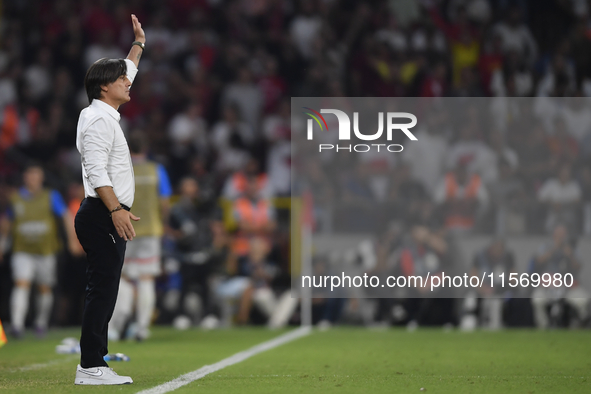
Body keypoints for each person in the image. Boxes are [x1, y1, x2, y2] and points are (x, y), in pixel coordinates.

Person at [73, 15, 145, 385]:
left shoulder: (104, 112)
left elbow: (127, 71)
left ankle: (93, 361)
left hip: (104, 212)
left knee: (106, 288)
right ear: (104, 87)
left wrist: (138, 45)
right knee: (102, 289)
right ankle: (91, 364)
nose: (127, 82)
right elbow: (96, 170)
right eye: (120, 80)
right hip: (103, 213)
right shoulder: (99, 121)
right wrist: (116, 210)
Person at [1, 164, 78, 338]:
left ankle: (41, 323)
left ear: (41, 178)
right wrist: (2, 244)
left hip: (46, 250)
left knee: (44, 288)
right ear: (25, 178)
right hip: (23, 250)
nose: (33, 179)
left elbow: (65, 216)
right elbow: (7, 222)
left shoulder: (51, 196)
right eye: (30, 175)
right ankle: (17, 325)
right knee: (21, 283)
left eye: (36, 176)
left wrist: (72, 239)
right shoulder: (16, 199)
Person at [108, 134, 172, 341]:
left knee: (123, 277)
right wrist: (161, 223)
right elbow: (165, 202)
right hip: (151, 230)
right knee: (146, 278)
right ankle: (142, 327)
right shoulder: (157, 170)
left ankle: (115, 326)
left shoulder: (120, 168)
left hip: (125, 228)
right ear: (146, 148)